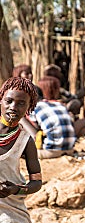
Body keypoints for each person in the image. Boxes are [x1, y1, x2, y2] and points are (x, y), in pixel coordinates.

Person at [0, 77, 42, 223]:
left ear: (29, 108)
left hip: (10, 208)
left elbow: (36, 183)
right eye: (9, 101)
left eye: (21, 103)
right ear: (1, 100)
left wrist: (15, 189)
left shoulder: (25, 141)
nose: (13, 107)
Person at [29, 76, 76, 159]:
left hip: (51, 151)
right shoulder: (59, 104)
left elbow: (36, 132)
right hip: (70, 149)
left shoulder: (35, 107)